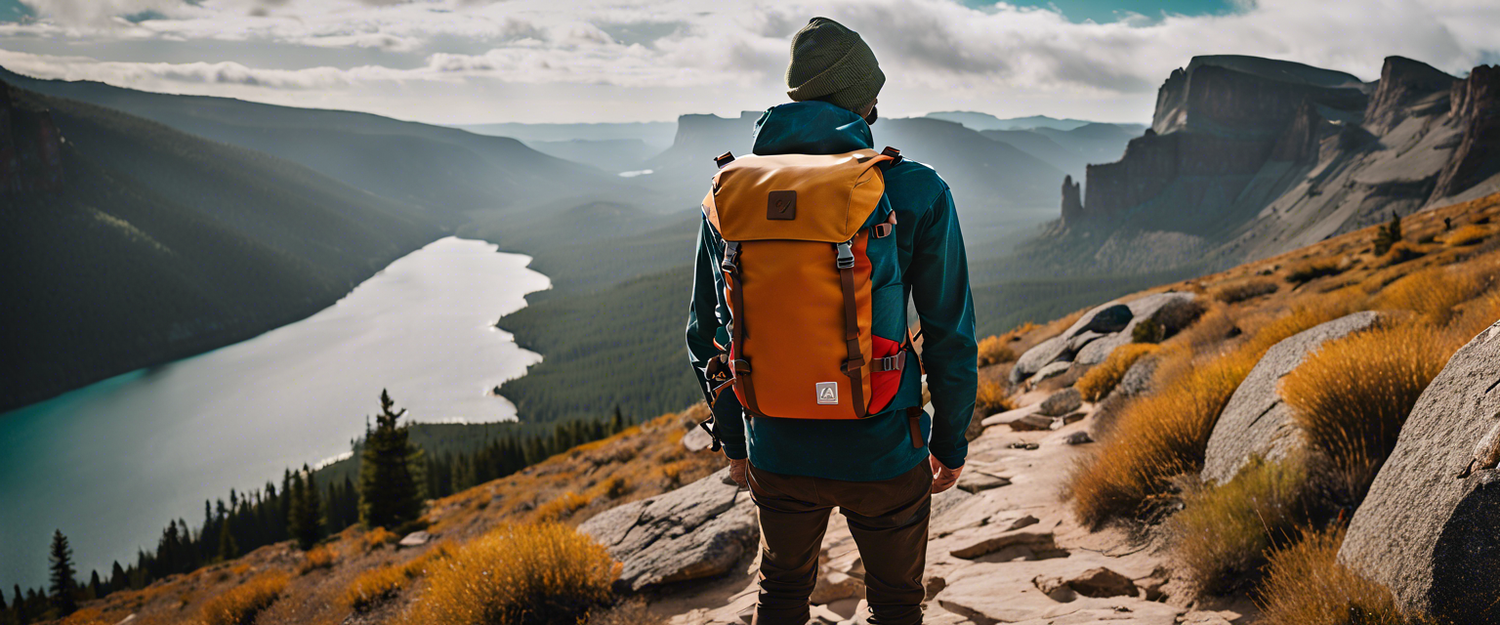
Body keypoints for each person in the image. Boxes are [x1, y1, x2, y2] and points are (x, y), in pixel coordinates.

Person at [687, 16, 978, 625]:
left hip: (776, 444)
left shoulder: (732, 193)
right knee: (896, 605)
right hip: (884, 448)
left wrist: (738, 442)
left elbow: (708, 333)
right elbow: (950, 330)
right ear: (864, 102)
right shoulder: (915, 189)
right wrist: (949, 441)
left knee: (782, 592)